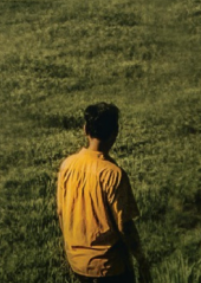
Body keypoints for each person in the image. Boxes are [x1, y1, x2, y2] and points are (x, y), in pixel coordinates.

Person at [56, 102, 151, 282]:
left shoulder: (67, 165)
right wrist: (141, 259)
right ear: (115, 133)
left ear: (85, 129)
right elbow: (125, 226)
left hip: (76, 262)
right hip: (108, 268)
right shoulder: (113, 174)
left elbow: (61, 213)